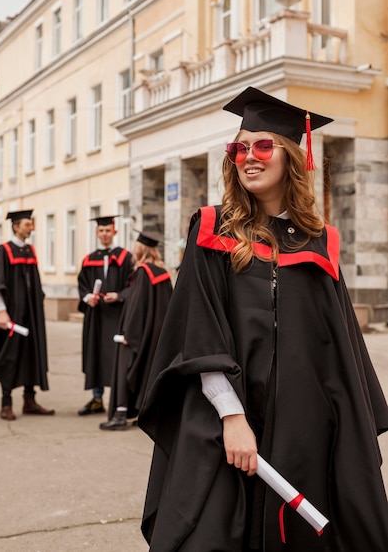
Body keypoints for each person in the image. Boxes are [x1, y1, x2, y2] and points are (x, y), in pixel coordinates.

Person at [138, 87, 388, 551]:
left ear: (291, 156)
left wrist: (342, 429)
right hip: (227, 419)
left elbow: (339, 349)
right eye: (238, 148)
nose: (248, 157)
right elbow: (198, 331)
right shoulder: (213, 230)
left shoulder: (320, 243)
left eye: (262, 145)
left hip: (305, 428)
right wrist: (232, 417)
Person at [0, 209, 55, 420]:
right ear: (16, 226)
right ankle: (6, 403)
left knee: (31, 354)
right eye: (27, 224)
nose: (31, 228)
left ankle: (29, 400)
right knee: (9, 355)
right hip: (13, 314)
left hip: (32, 313)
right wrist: (1, 311)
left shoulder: (29, 250)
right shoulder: (4, 251)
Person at [99, 231, 173, 431]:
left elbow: (137, 306)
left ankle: (121, 414)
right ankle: (146, 413)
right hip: (156, 333)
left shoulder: (142, 272)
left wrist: (128, 334)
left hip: (137, 332)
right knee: (147, 371)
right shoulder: (162, 272)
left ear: (139, 249)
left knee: (125, 369)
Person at [77, 215, 133, 416]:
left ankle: (120, 401)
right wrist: (87, 298)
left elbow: (132, 285)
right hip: (96, 317)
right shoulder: (89, 259)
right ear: (96, 233)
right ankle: (97, 398)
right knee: (96, 353)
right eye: (101, 231)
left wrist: (119, 295)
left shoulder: (126, 257)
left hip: (118, 315)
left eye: (108, 230)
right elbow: (82, 286)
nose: (105, 234)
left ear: (115, 232)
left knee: (117, 356)